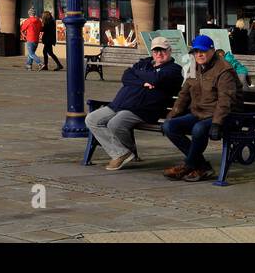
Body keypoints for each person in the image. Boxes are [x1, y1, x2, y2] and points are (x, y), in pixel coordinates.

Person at [85, 36, 183, 170]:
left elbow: (156, 79)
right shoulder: (144, 63)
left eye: (163, 51)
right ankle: (122, 152)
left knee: (115, 123)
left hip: (143, 109)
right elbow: (126, 76)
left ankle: (121, 154)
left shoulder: (174, 69)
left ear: (170, 51)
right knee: (92, 119)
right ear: (152, 52)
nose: (159, 54)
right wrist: (143, 82)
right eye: (156, 51)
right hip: (119, 104)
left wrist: (137, 74)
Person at [163, 35, 241, 182]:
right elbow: (184, 94)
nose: (199, 54)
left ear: (212, 51)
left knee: (198, 129)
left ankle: (188, 165)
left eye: (203, 51)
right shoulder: (194, 67)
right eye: (196, 51)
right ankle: (202, 166)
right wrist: (172, 114)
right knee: (169, 126)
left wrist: (217, 123)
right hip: (199, 113)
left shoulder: (224, 70)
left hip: (224, 115)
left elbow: (225, 100)